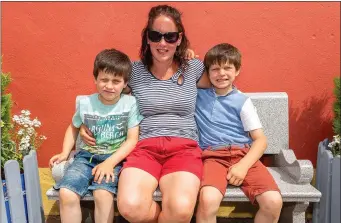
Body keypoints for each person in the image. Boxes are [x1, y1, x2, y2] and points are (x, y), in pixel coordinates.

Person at [80, 5, 211, 223]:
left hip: (184, 148)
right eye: (155, 35)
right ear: (147, 38)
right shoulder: (133, 71)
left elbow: (222, 81)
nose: (162, 43)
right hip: (144, 147)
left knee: (180, 209)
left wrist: (188, 53)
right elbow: (108, 94)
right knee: (130, 207)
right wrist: (87, 122)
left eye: (170, 37)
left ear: (179, 39)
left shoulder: (193, 69)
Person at [49, 48, 143, 223]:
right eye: (104, 80)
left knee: (102, 194)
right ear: (95, 79)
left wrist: (109, 163)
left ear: (125, 83)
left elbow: (132, 140)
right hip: (85, 158)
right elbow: (73, 127)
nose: (109, 86)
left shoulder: (130, 103)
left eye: (116, 81)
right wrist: (64, 153)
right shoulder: (86, 103)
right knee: (66, 192)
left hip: (114, 160)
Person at [195, 43, 283, 223]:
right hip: (212, 157)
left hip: (243, 154)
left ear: (237, 71)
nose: (221, 73)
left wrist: (243, 166)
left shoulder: (242, 101)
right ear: (207, 72)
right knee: (207, 200)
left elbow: (260, 140)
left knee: (273, 202)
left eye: (227, 68)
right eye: (215, 69)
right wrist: (188, 56)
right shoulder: (197, 96)